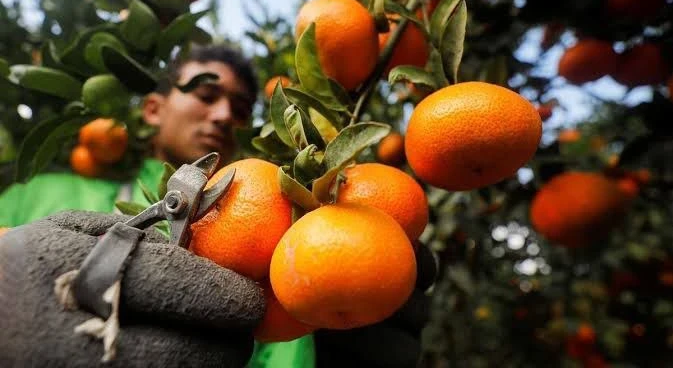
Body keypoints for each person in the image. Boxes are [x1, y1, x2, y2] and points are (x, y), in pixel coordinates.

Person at [0, 44, 433, 367]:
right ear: (153, 108)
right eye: (206, 95)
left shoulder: (287, 256)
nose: (225, 114)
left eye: (241, 108)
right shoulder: (36, 196)